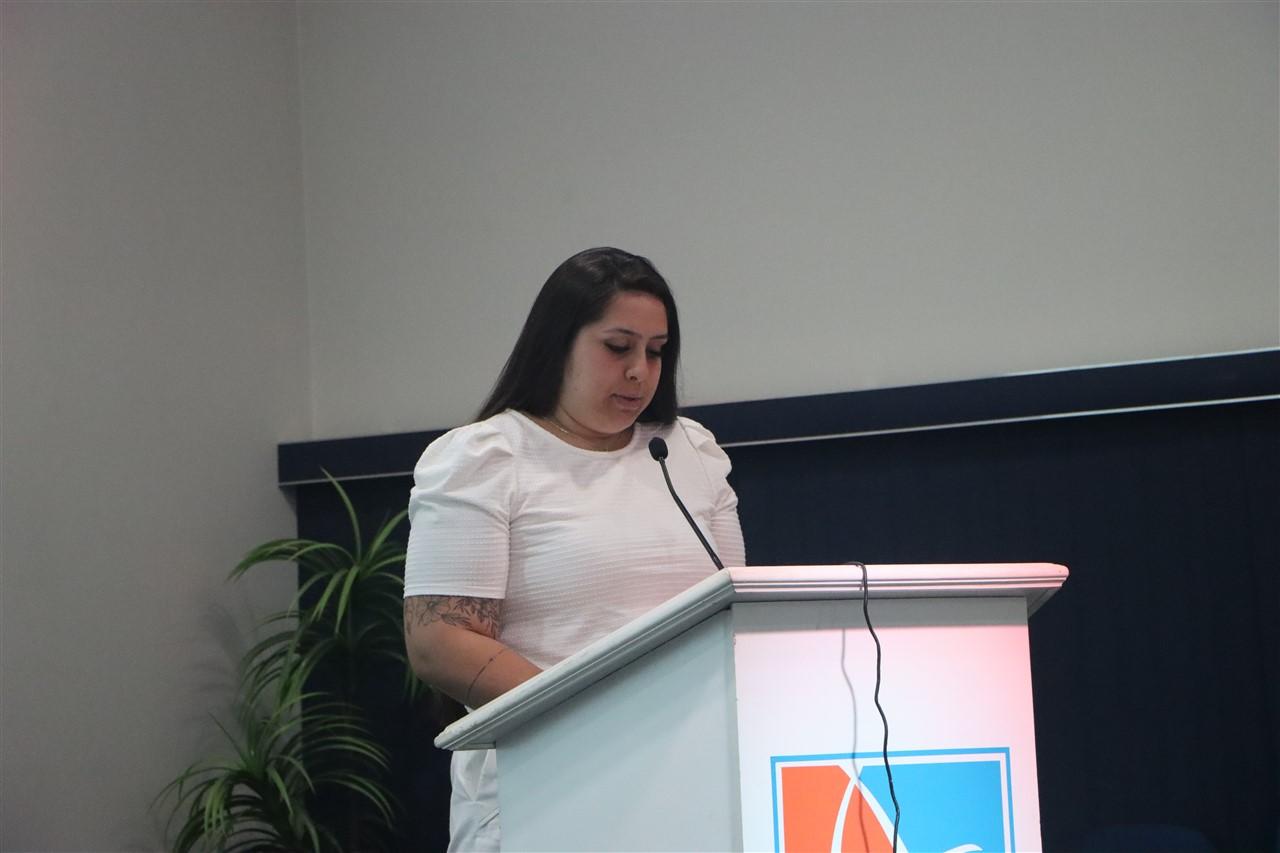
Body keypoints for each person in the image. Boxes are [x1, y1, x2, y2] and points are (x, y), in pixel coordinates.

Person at [402, 247, 745, 852]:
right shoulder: (485, 457)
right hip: (546, 785)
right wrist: (597, 719)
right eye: (618, 347)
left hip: (693, 778)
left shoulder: (687, 451)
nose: (639, 371)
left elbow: (739, 608)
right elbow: (439, 641)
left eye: (656, 351)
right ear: (558, 344)